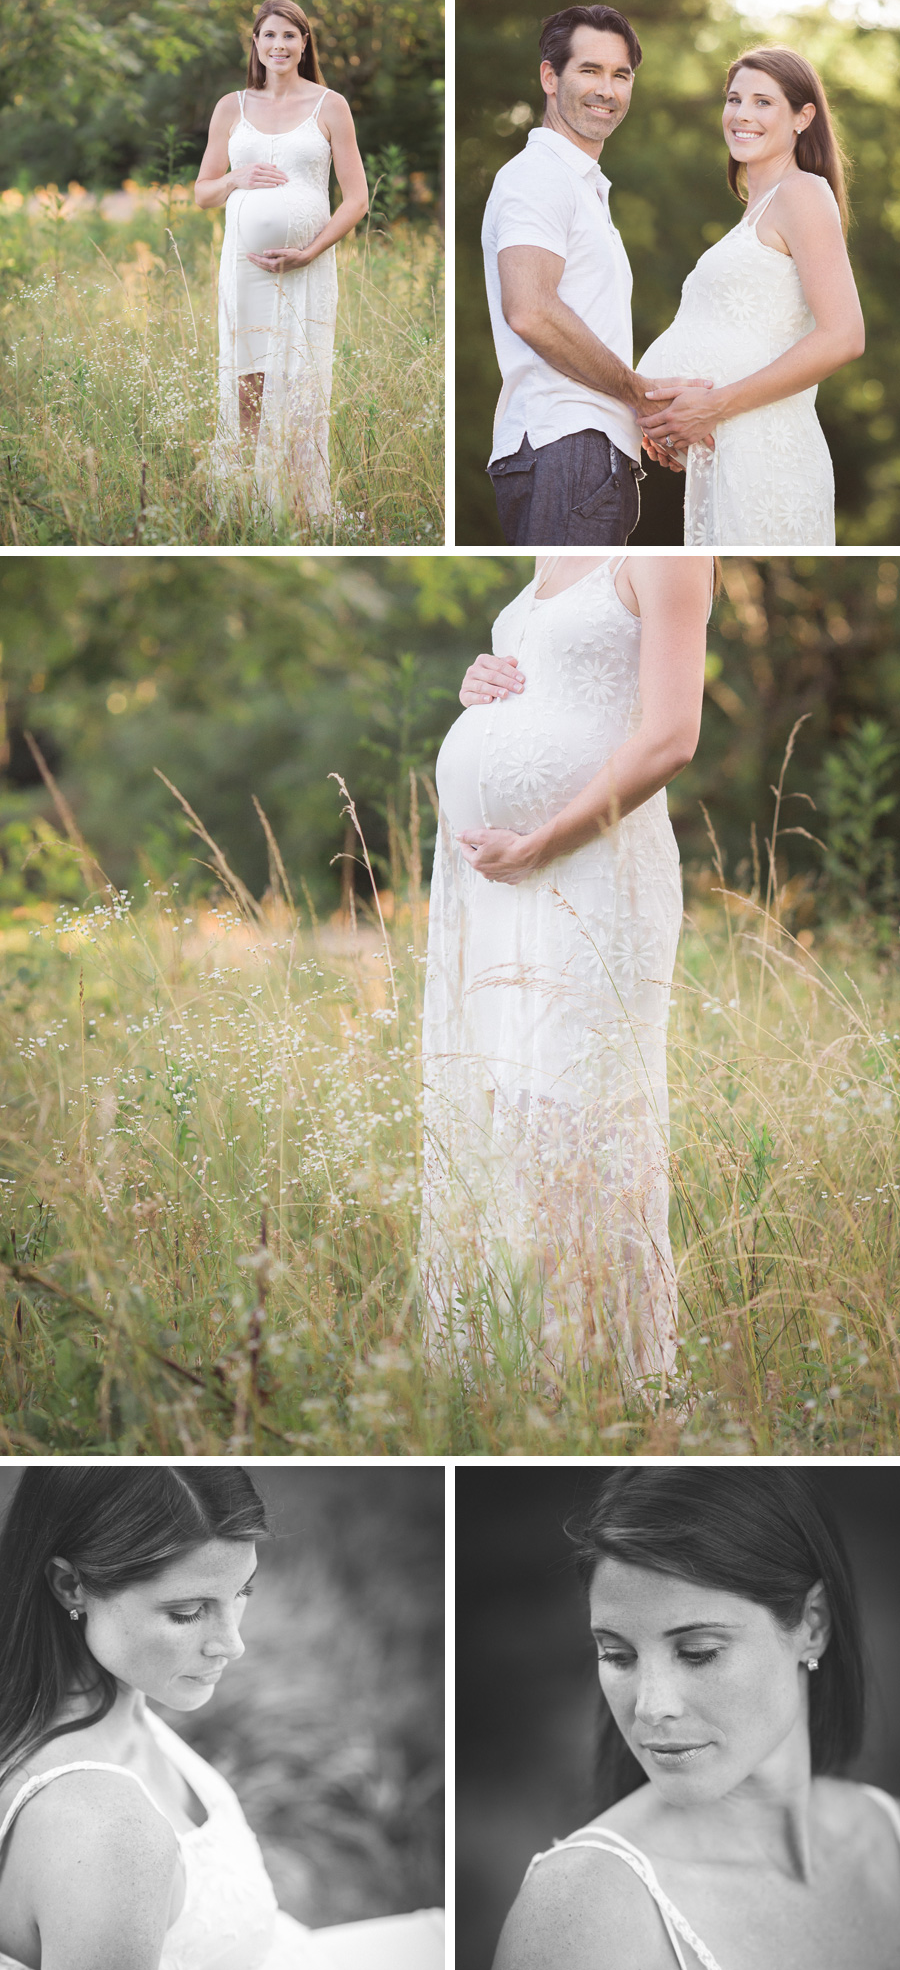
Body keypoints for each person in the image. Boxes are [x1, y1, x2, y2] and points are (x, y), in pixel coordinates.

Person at [0, 1466, 443, 1970]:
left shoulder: (103, 1698)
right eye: (186, 1612)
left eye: (241, 1591)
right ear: (71, 1584)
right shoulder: (99, 1834)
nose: (231, 1642)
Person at [459, 1466, 900, 1970]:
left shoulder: (890, 1833)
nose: (651, 1707)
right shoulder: (586, 1904)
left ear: (811, 1623)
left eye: (696, 1652)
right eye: (618, 1653)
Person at [419, 549, 711, 1387]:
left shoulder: (666, 555)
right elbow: (557, 678)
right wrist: (485, 683)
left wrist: (540, 840)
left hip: (590, 873)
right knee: (505, 1110)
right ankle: (508, 1367)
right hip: (499, 888)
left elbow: (670, 736)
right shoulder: (546, 557)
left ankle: (597, 1374)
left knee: (579, 1117)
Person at [480, 5, 695, 546]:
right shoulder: (537, 177)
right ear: (551, 78)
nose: (608, 89)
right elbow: (529, 309)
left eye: (620, 75)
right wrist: (635, 393)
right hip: (566, 444)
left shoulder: (582, 186)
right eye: (590, 71)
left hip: (586, 451)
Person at [638, 48, 865, 544]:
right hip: (729, 449)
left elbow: (844, 336)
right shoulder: (756, 211)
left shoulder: (801, 194)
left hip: (768, 454)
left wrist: (713, 406)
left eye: (764, 102)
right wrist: (670, 417)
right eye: (735, 99)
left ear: (803, 117)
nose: (742, 114)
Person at [195, 0, 369, 528]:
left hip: (306, 269)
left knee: (297, 383)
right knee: (247, 378)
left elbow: (357, 199)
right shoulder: (232, 107)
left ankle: (295, 506)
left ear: (304, 43)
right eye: (269, 35)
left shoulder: (329, 106)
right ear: (255, 43)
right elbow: (203, 192)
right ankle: (245, 501)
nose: (279, 45)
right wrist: (234, 179)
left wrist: (310, 250)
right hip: (244, 269)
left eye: (290, 36)